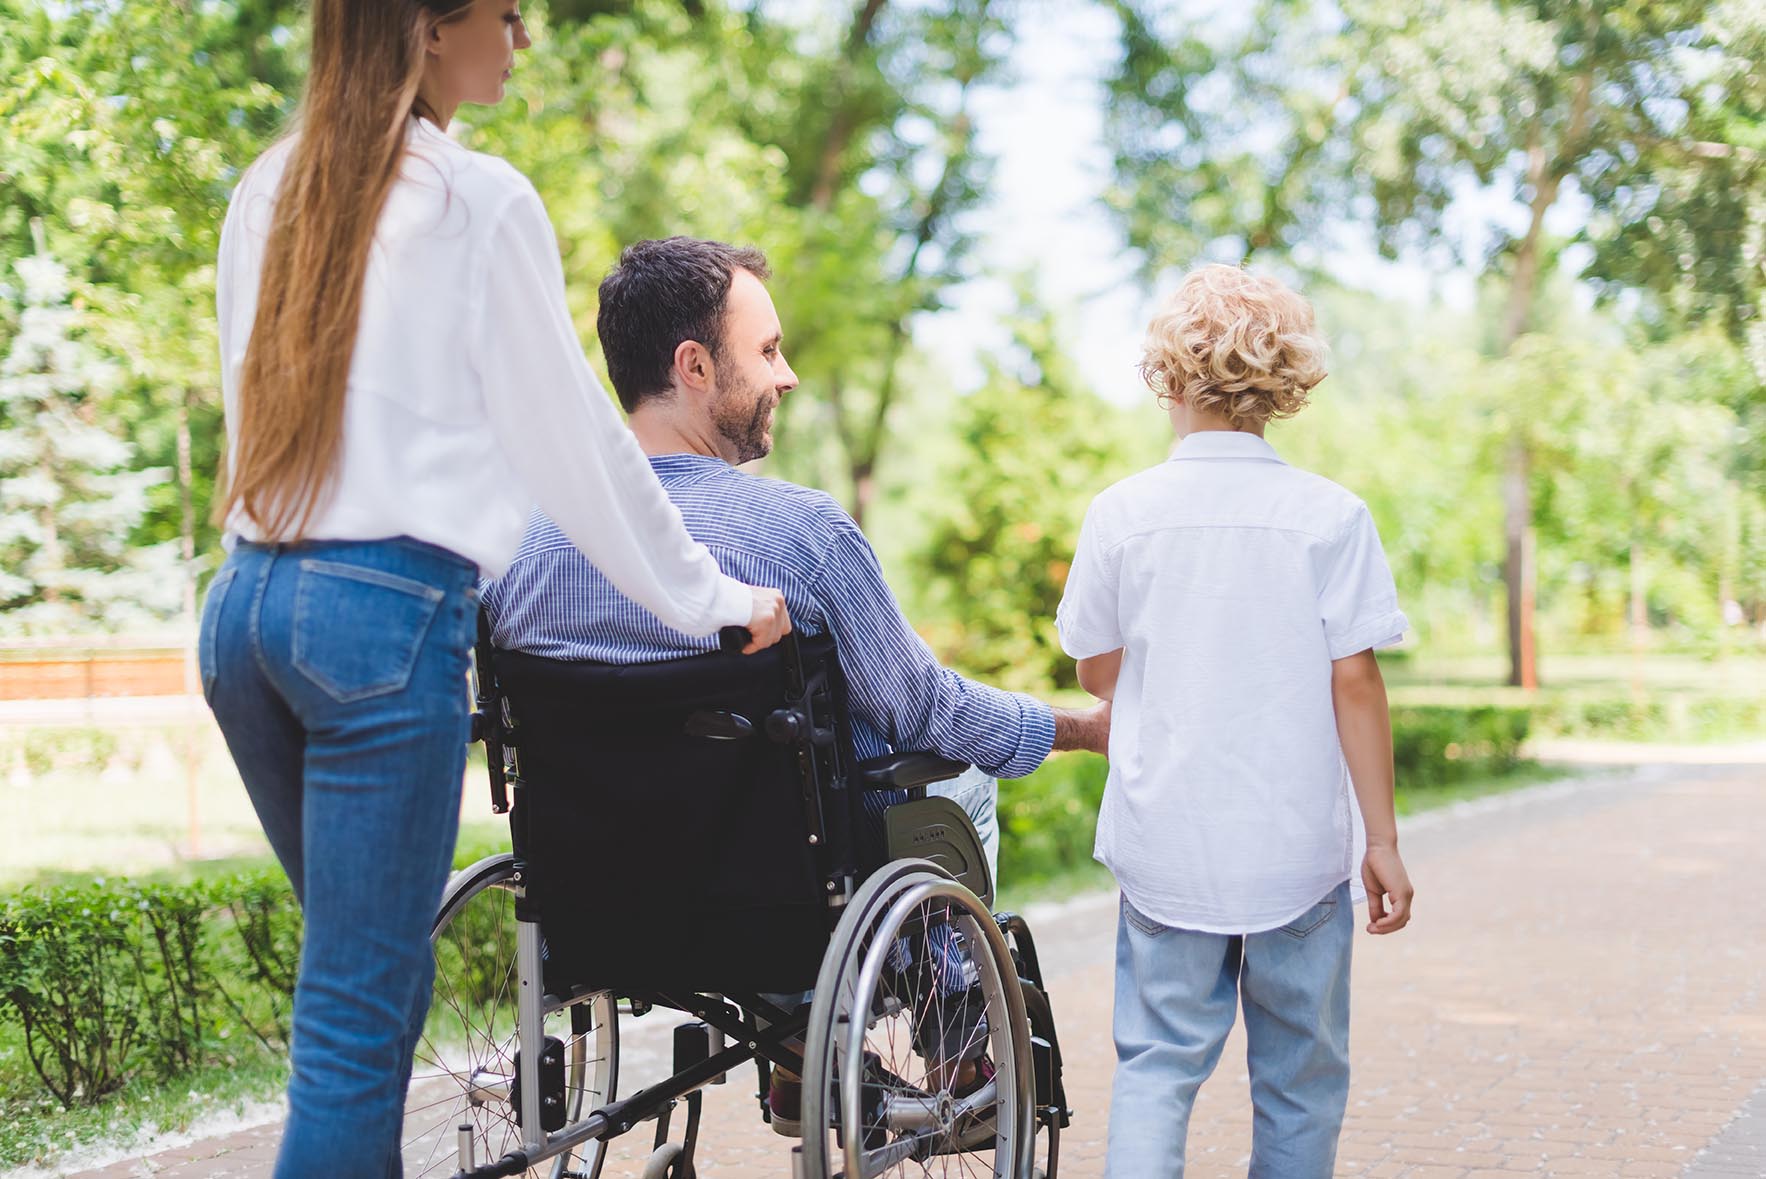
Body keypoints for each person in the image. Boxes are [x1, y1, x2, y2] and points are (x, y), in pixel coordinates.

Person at [199, 5, 790, 1177]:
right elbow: (574, 441)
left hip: (244, 615)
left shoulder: (269, 186)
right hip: (377, 620)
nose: (521, 38)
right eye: (506, 16)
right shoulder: (479, 201)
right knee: (356, 1026)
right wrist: (713, 595)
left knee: (353, 988)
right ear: (428, 27)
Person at [481, 235, 1112, 1134]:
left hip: (600, 901)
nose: (790, 376)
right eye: (768, 350)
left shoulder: (526, 547)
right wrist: (1084, 730)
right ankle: (956, 1035)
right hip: (776, 901)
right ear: (695, 366)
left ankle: (795, 1054)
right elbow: (927, 708)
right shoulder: (802, 533)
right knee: (956, 765)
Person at [1056, 264, 1417, 1178]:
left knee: (1156, 1068)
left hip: (1166, 843)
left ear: (1166, 379)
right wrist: (1381, 839)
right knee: (1300, 1081)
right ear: (1283, 385)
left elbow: (1098, 668)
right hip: (1298, 852)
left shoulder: (1123, 515)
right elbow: (1358, 684)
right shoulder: (1331, 517)